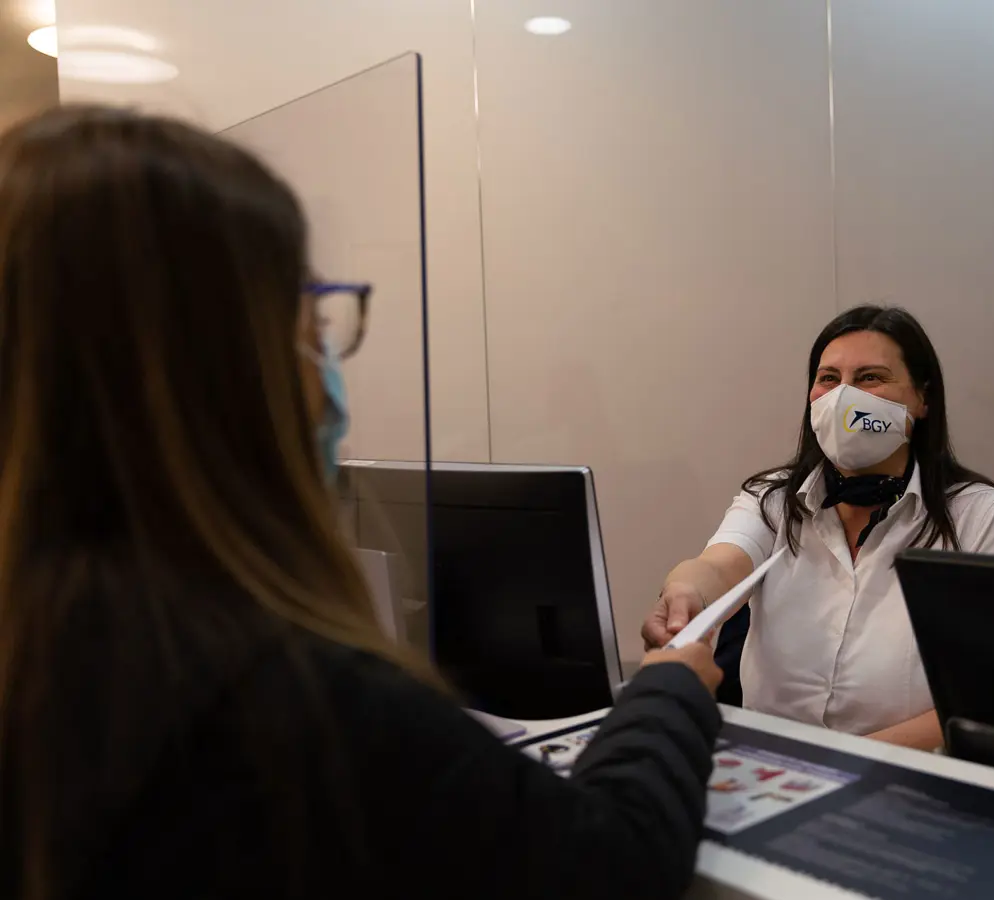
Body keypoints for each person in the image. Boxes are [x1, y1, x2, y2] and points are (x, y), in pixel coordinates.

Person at [0, 105, 721, 900]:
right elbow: (607, 866)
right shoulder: (284, 700)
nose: (327, 380)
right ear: (219, 378)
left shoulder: (56, 644)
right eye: (310, 331)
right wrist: (669, 686)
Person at [642, 306, 994, 749]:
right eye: (828, 378)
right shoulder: (772, 499)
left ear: (922, 399)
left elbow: (982, 696)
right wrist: (685, 594)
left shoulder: (979, 516)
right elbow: (719, 564)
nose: (844, 396)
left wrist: (840, 763)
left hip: (906, 773)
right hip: (767, 768)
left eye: (870, 378)